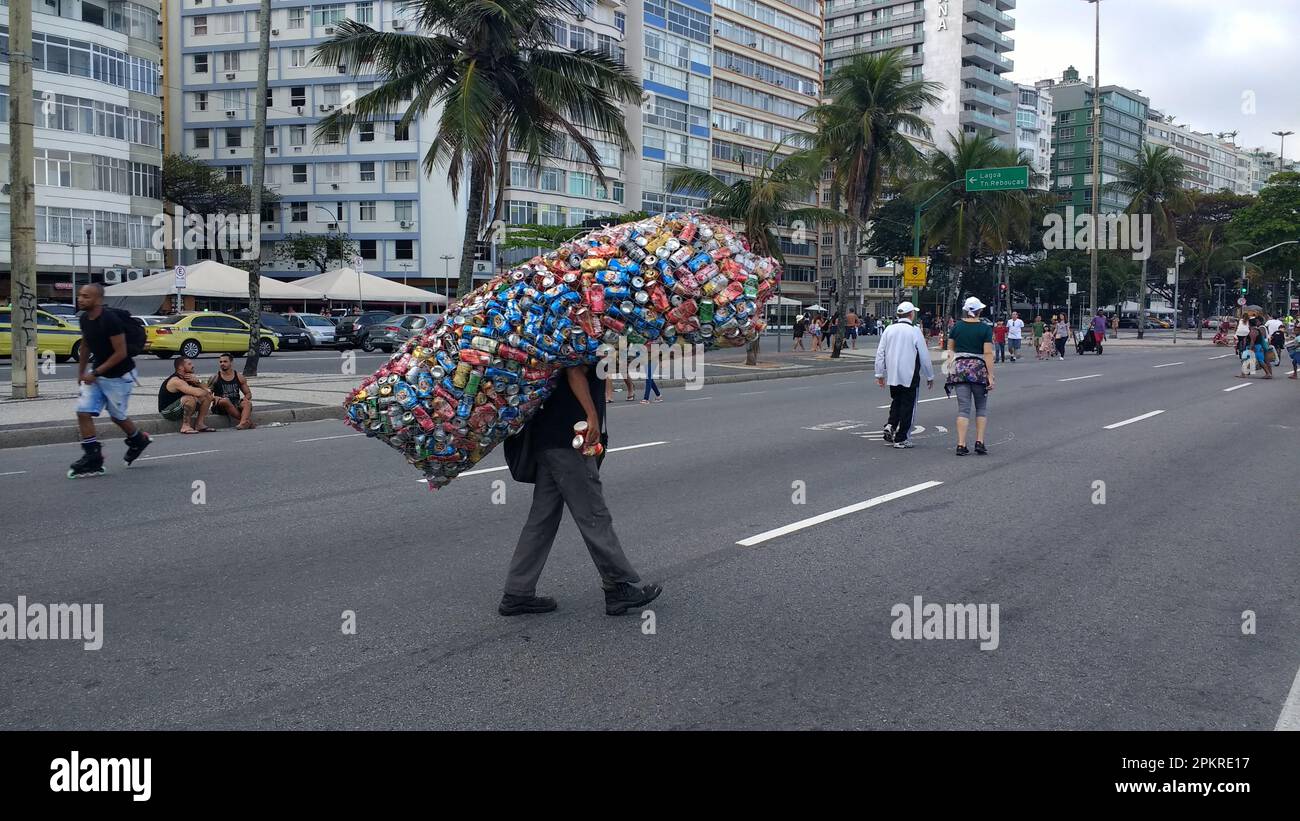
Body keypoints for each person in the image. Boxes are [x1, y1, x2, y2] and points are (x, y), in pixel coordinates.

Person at [501, 362, 662, 617]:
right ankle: (618, 586)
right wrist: (592, 415)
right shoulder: (579, 329)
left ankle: (517, 593)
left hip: (547, 439)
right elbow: (574, 369)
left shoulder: (563, 331)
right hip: (570, 440)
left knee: (541, 520)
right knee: (593, 513)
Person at [68, 284, 152, 477]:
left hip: (120, 375)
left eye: (86, 296)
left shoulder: (110, 320)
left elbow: (121, 353)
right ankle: (93, 457)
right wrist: (81, 373)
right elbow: (86, 344)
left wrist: (94, 373)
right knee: (83, 411)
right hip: (97, 373)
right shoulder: (84, 319)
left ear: (97, 300)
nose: (80, 299)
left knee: (117, 416)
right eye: (80, 295)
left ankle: (138, 440)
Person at [874, 301, 934, 450]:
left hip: (893, 373)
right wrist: (930, 375)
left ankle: (891, 424)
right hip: (910, 373)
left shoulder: (889, 329)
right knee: (908, 405)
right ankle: (902, 438)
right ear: (911, 314)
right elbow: (924, 355)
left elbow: (880, 353)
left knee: (897, 400)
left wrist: (879, 373)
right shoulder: (914, 331)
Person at [945, 296, 995, 456]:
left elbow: (950, 351)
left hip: (960, 370)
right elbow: (987, 353)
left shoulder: (956, 327)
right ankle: (979, 442)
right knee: (981, 407)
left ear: (966, 310)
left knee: (963, 409)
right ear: (979, 310)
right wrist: (991, 375)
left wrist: (950, 370)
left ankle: (961, 444)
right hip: (978, 370)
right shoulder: (985, 328)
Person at [158, 357, 216, 433]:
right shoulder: (176, 381)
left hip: (180, 407)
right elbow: (198, 393)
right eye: (189, 364)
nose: (193, 365)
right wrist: (207, 391)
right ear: (181, 367)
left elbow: (207, 389)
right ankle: (185, 426)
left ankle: (200, 424)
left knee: (207, 397)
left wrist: (198, 381)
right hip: (167, 411)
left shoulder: (189, 378)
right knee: (189, 398)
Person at [209, 353, 256, 429]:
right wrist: (215, 398)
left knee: (247, 403)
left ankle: (243, 423)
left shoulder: (239, 376)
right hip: (221, 404)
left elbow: (248, 393)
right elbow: (207, 395)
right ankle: (247, 422)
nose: (222, 364)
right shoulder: (215, 377)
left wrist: (246, 398)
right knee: (225, 401)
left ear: (231, 362)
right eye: (220, 362)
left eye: (225, 361)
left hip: (235, 402)